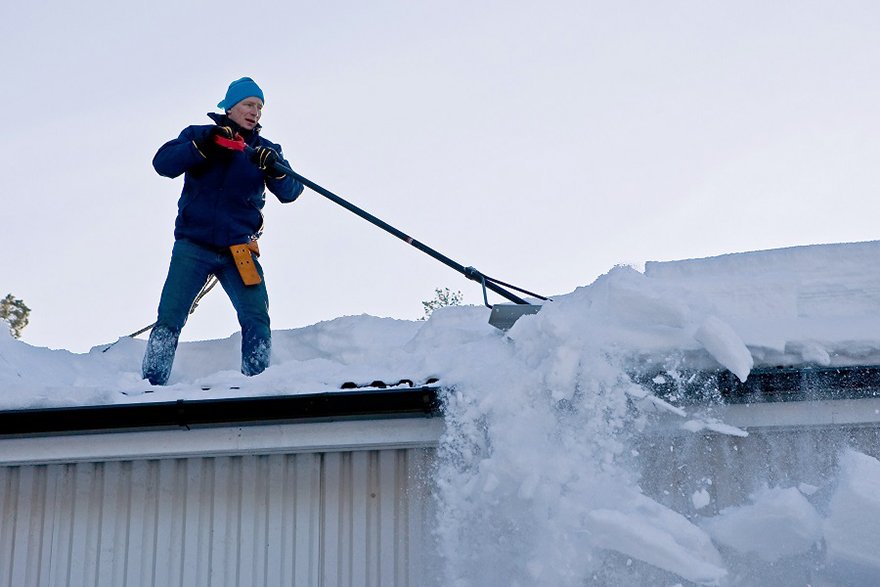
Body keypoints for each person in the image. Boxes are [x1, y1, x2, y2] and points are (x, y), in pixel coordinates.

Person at [142, 77, 304, 385]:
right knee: (170, 316)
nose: (254, 111)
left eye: (259, 106)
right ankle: (150, 384)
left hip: (238, 249)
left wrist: (275, 167)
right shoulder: (199, 136)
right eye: (248, 104)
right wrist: (203, 145)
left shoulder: (265, 150)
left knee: (256, 317)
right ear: (230, 107)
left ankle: (257, 382)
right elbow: (163, 163)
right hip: (194, 244)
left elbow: (292, 191)